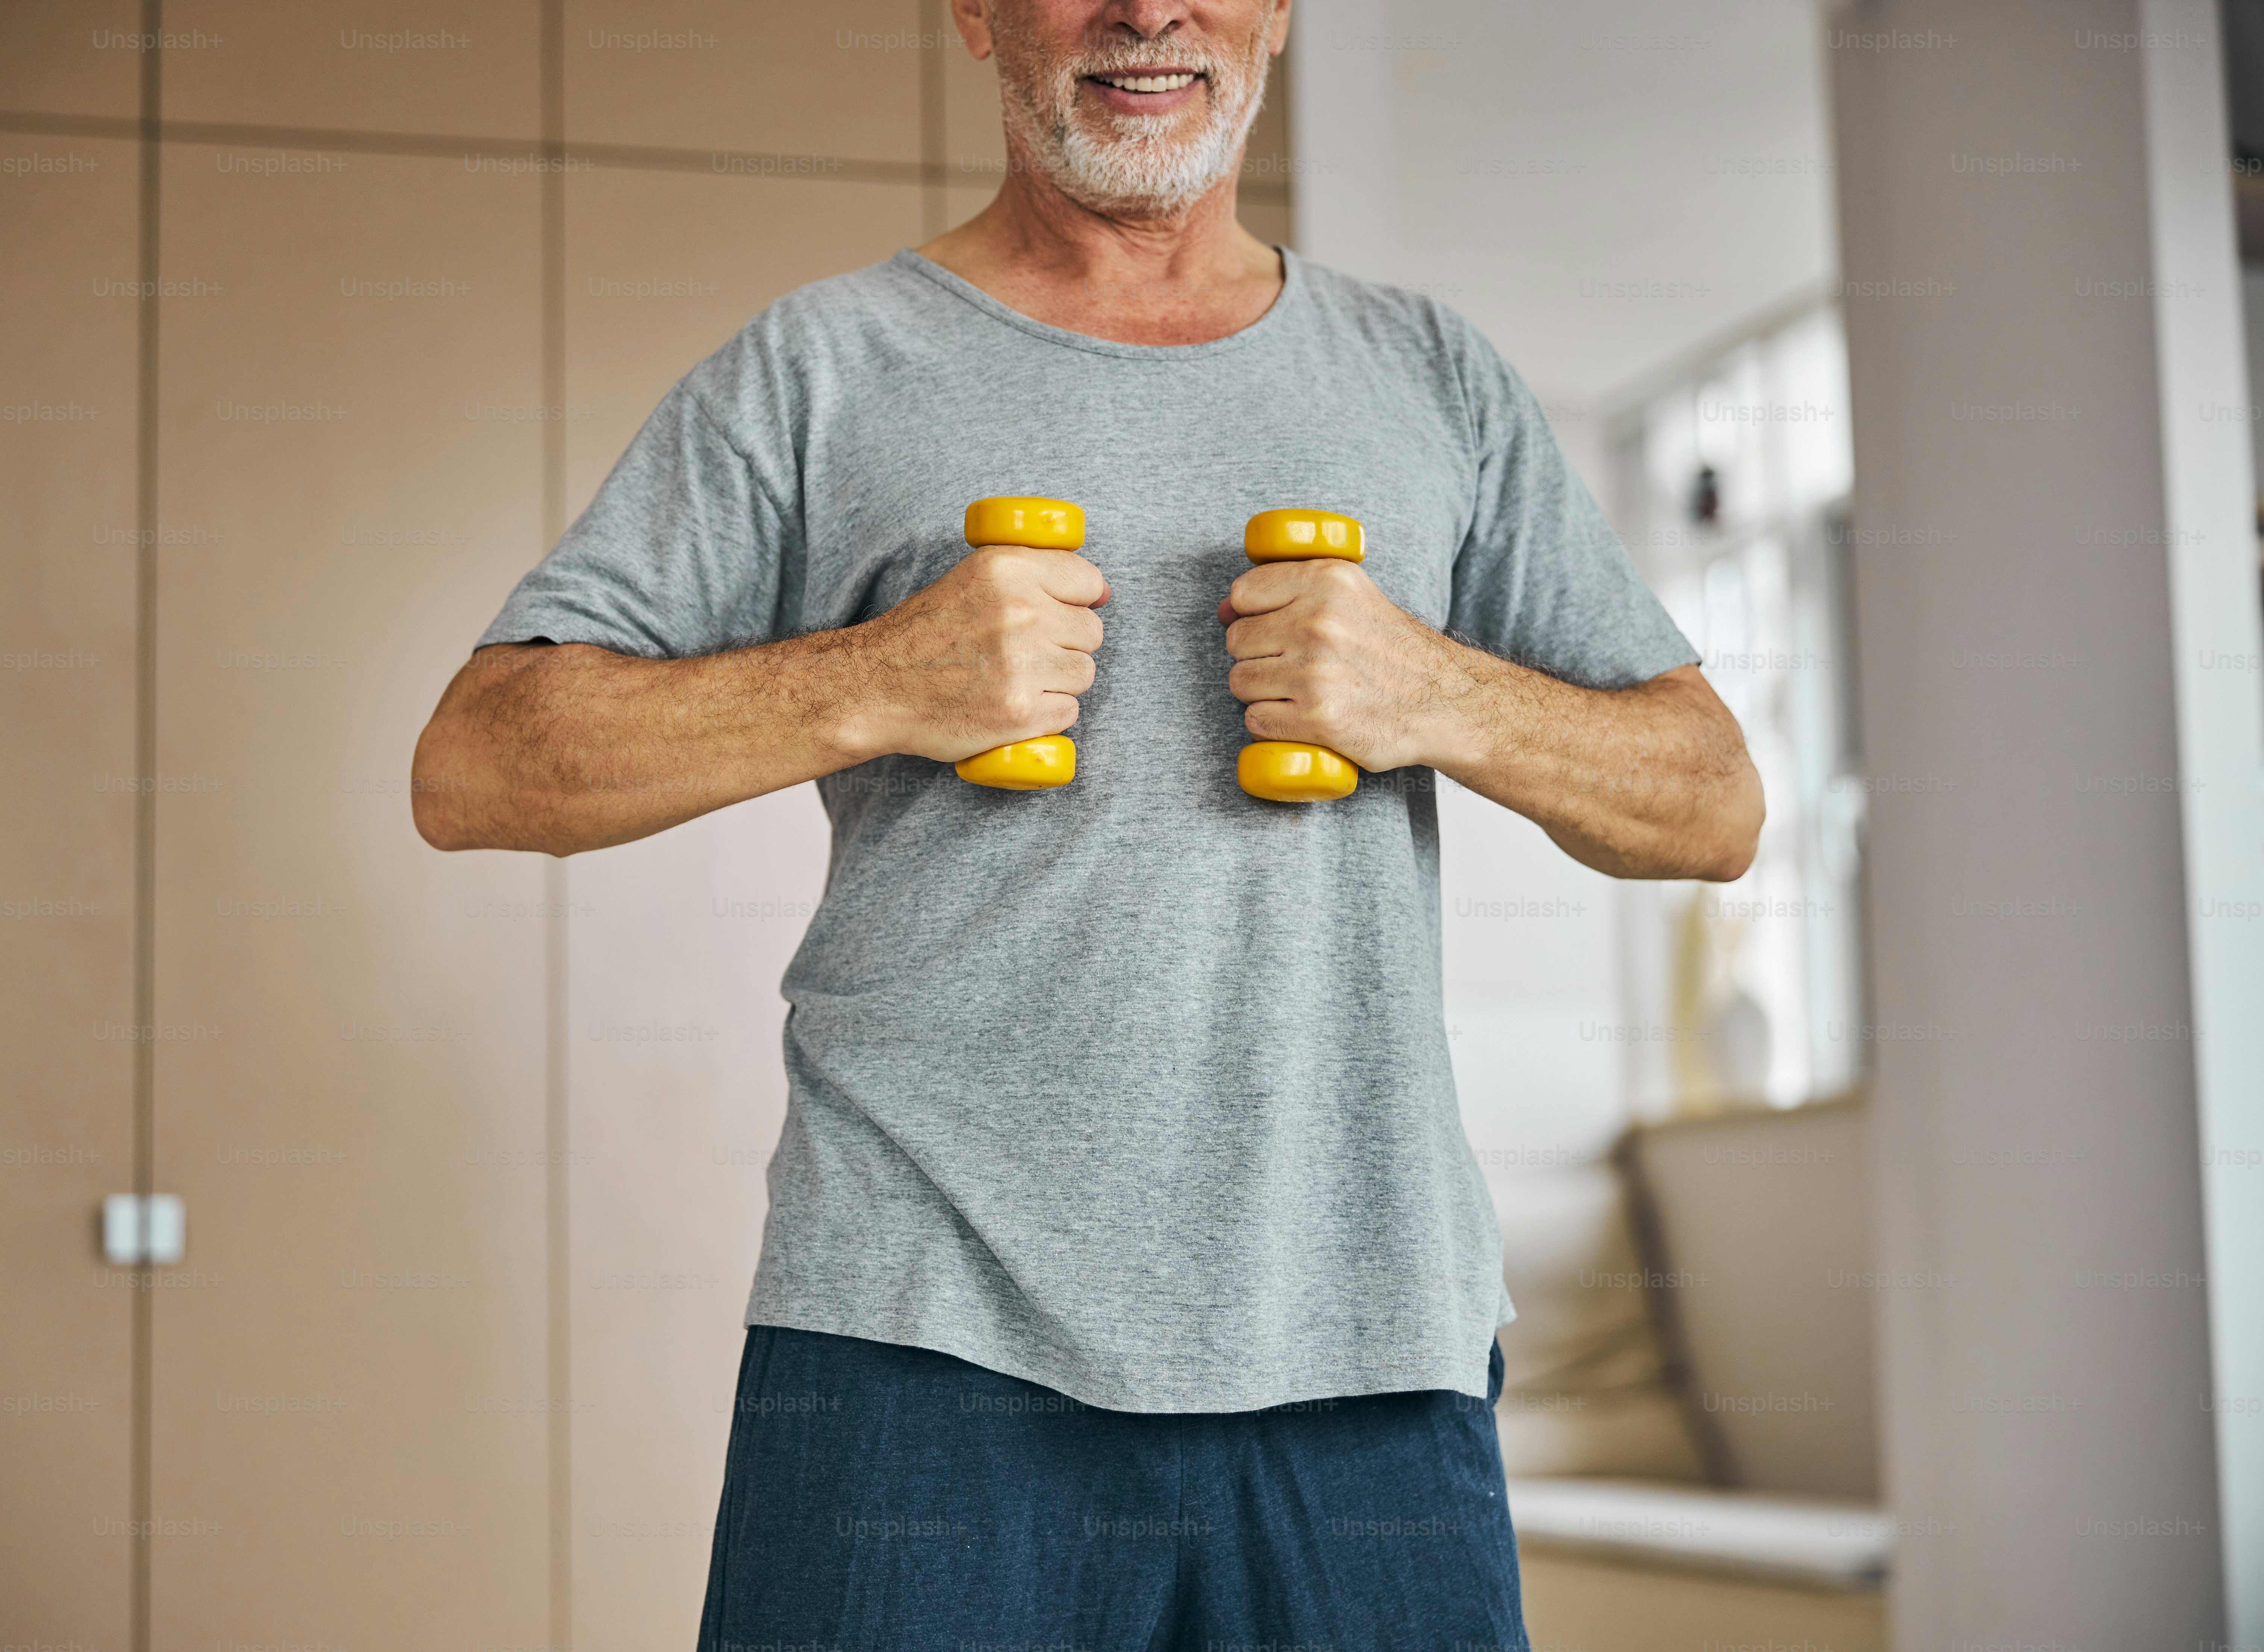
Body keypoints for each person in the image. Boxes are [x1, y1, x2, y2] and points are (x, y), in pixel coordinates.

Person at [411, 0, 1763, 1643]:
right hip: (920, 1348)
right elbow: (478, 763)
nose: (1144, 10)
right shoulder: (821, 366)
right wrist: (877, 677)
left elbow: (1708, 803)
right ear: (975, 13)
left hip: (1365, 1353)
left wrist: (1436, 696)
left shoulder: (1429, 375)